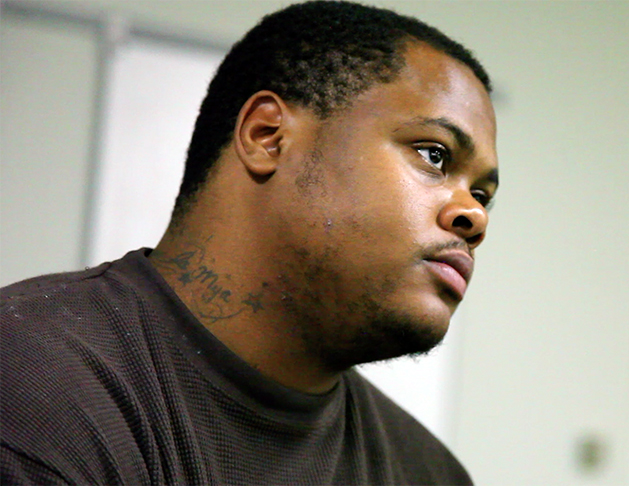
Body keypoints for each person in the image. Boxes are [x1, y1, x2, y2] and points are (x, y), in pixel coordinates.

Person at [0, 1, 498, 484]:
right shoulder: (33, 382)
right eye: (435, 155)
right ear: (267, 135)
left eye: (482, 194)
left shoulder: (431, 473)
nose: (475, 216)